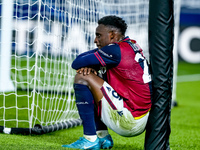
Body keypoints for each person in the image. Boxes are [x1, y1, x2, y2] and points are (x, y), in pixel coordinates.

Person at [62, 15, 152, 150]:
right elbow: (81, 60)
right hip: (143, 117)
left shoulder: (114, 50)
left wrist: (91, 65)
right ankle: (102, 137)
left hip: (130, 120)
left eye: (99, 35)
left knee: (83, 76)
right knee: (96, 77)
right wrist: (93, 65)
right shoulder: (130, 44)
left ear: (112, 35)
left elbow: (77, 63)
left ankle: (90, 139)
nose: (95, 40)